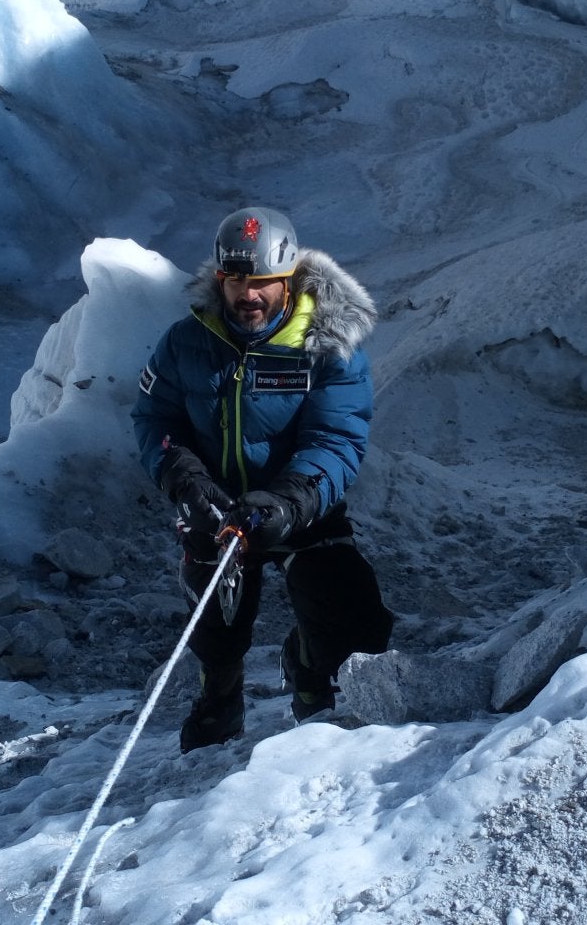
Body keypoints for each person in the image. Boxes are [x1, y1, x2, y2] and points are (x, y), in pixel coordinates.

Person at [131, 206, 394, 750]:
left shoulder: (327, 345)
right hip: (215, 507)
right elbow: (156, 419)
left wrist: (289, 500)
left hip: (300, 505)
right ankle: (219, 700)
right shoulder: (185, 342)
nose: (249, 296)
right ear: (221, 278)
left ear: (288, 281)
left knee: (353, 620)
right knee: (217, 630)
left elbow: (337, 439)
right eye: (237, 281)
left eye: (264, 283)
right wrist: (183, 476)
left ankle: (308, 668)